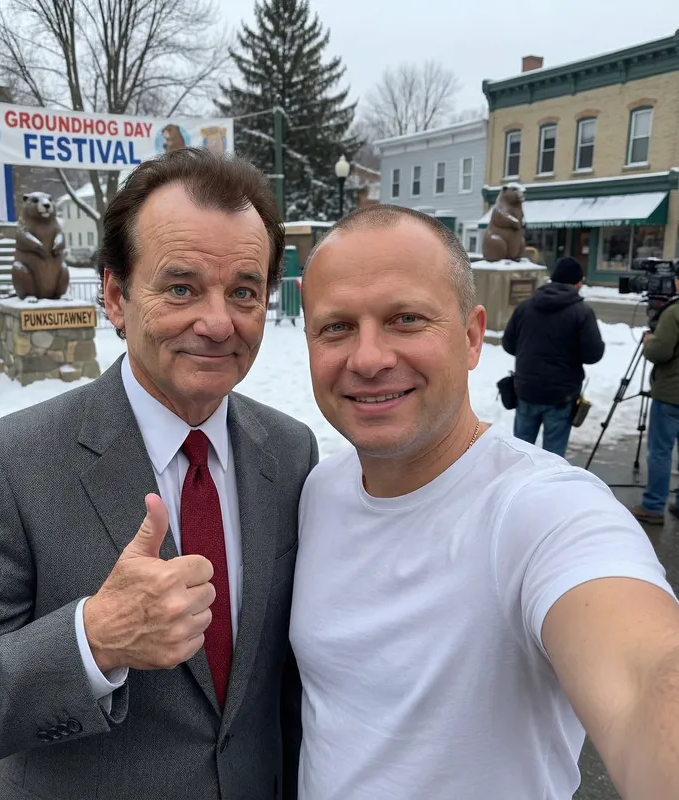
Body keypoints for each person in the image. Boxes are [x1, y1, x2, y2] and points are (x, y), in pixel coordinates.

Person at [0, 148, 318, 800]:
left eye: (243, 291)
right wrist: (93, 639)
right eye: (180, 287)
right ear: (116, 297)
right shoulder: (6, 465)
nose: (217, 321)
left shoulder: (290, 454)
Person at [291, 204, 679, 799]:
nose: (368, 358)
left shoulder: (540, 511)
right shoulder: (318, 491)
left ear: (472, 338)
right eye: (336, 327)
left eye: (406, 319)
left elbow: (644, 674)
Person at [501, 256, 605, 457]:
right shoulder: (581, 312)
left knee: (521, 453)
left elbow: (508, 344)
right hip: (561, 395)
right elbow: (593, 354)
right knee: (553, 456)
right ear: (578, 283)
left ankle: (518, 486)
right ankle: (548, 487)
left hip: (526, 389)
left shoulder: (525, 307)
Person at [630, 272, 679, 524]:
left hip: (671, 394)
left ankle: (653, 506)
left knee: (660, 451)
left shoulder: (673, 313)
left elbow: (660, 352)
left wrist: (650, 341)